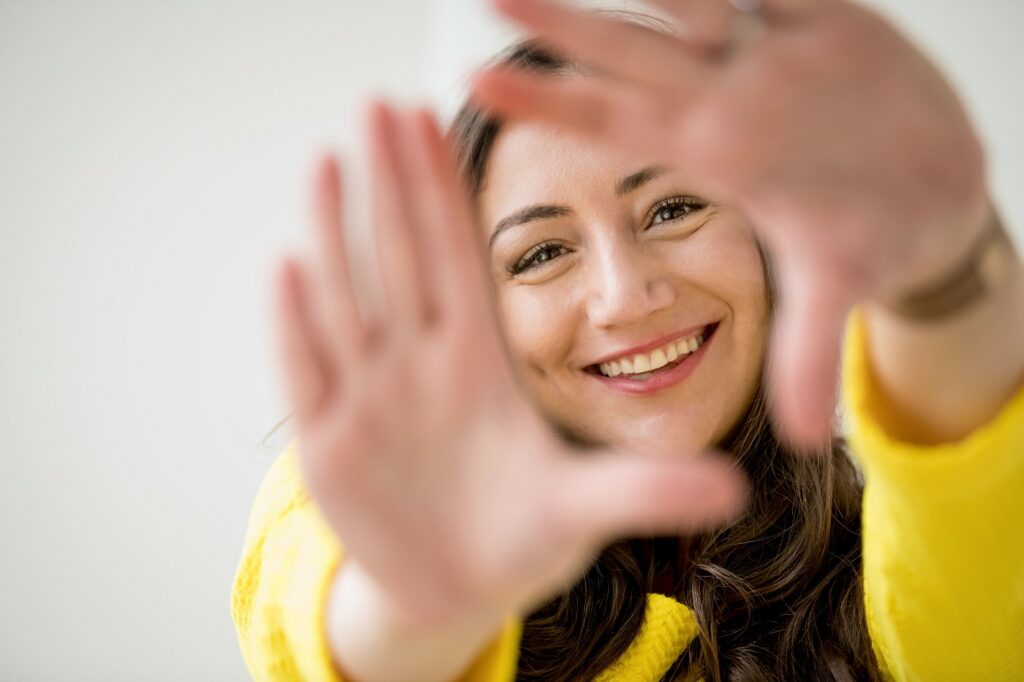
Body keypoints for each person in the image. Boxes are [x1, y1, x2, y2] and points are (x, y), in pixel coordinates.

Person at [231, 0, 1024, 680]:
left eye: (674, 209)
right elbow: (337, 616)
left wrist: (949, 280)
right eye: (541, 254)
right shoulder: (374, 485)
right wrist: (420, 608)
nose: (625, 295)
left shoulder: (885, 549)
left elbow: (976, 595)